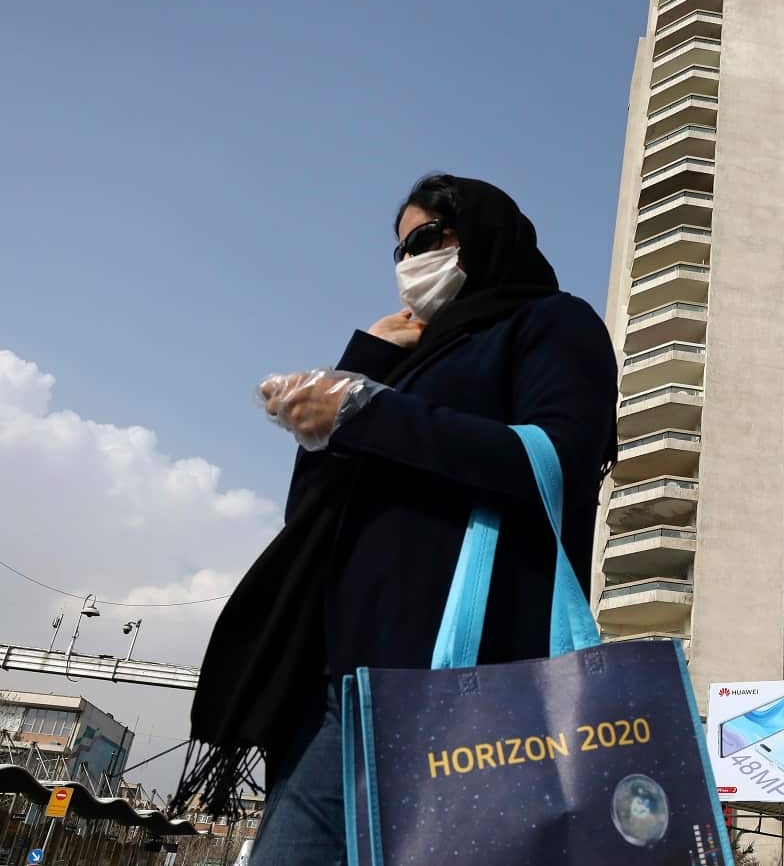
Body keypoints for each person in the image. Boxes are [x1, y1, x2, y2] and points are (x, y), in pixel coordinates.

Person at [172, 175, 618, 865]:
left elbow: (555, 462)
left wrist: (365, 408)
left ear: (484, 234)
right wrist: (367, 362)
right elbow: (314, 509)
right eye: (400, 249)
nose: (410, 261)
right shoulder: (409, 362)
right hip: (335, 687)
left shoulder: (552, 321)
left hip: (463, 684)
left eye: (426, 239)